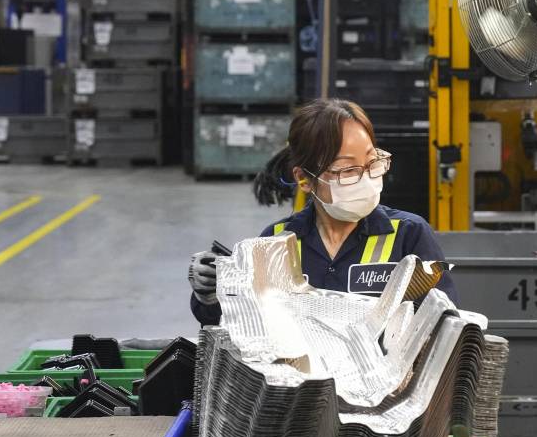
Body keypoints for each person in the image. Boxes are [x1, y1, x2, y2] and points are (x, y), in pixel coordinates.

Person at [189, 98, 456, 324]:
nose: (366, 179)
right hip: (305, 386)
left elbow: (442, 324)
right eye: (348, 170)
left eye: (372, 162)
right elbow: (243, 326)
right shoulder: (276, 243)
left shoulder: (409, 236)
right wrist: (211, 295)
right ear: (305, 179)